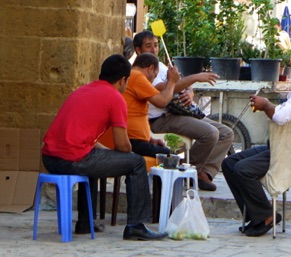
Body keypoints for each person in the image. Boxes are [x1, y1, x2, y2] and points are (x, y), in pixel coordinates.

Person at [41, 54, 168, 241]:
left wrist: (107, 154)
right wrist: (124, 153)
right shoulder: (115, 97)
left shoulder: (82, 91)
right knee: (137, 163)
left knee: (93, 159)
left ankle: (85, 222)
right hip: (72, 159)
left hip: (50, 158)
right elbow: (123, 145)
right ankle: (136, 225)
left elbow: (86, 140)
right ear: (123, 80)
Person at [222, 39, 291, 237]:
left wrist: (266, 105)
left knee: (241, 170)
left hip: (286, 152)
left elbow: (280, 117)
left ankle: (266, 215)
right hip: (285, 148)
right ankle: (256, 215)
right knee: (229, 163)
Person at [133, 30, 234, 192]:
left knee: (226, 133)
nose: (154, 49)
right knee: (210, 133)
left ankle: (204, 173)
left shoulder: (160, 65)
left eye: (156, 45)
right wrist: (195, 77)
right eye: (148, 46)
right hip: (160, 119)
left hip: (177, 111)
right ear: (138, 50)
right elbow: (164, 89)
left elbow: (179, 81)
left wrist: (189, 91)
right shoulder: (141, 71)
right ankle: (183, 173)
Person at [123, 52, 180, 157]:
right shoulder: (137, 76)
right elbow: (162, 101)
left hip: (137, 139)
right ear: (150, 68)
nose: (153, 80)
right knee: (171, 157)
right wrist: (172, 81)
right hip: (132, 140)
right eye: (155, 75)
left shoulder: (131, 75)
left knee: (166, 153)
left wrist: (150, 139)